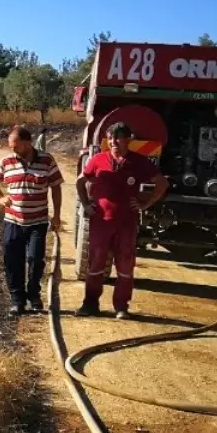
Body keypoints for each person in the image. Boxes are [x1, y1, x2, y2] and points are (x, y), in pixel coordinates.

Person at [75, 122, 170, 318]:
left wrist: (145, 204)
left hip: (126, 224)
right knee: (95, 265)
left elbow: (162, 183)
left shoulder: (140, 162)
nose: (113, 142)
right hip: (100, 223)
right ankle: (90, 304)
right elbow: (80, 181)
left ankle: (121, 306)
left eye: (117, 138)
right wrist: (86, 204)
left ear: (128, 140)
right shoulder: (98, 160)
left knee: (125, 266)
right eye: (110, 138)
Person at [0, 125, 63, 315]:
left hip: (37, 221)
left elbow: (56, 187)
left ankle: (34, 296)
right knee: (12, 260)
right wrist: (0, 197)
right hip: (13, 221)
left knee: (35, 259)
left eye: (15, 146)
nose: (12, 149)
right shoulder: (6, 161)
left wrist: (58, 216)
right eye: (11, 146)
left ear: (27, 143)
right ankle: (17, 299)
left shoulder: (46, 160)